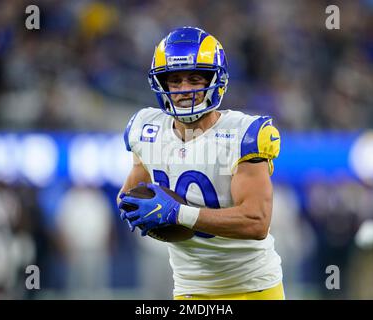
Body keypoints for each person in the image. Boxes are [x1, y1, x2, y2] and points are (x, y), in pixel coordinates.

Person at [117, 26, 284, 300]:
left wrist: (177, 214)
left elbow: (256, 222)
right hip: (189, 290)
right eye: (176, 80)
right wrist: (134, 208)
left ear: (216, 80)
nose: (185, 89)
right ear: (162, 84)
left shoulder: (243, 134)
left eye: (195, 79)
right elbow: (131, 192)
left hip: (253, 287)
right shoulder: (145, 130)